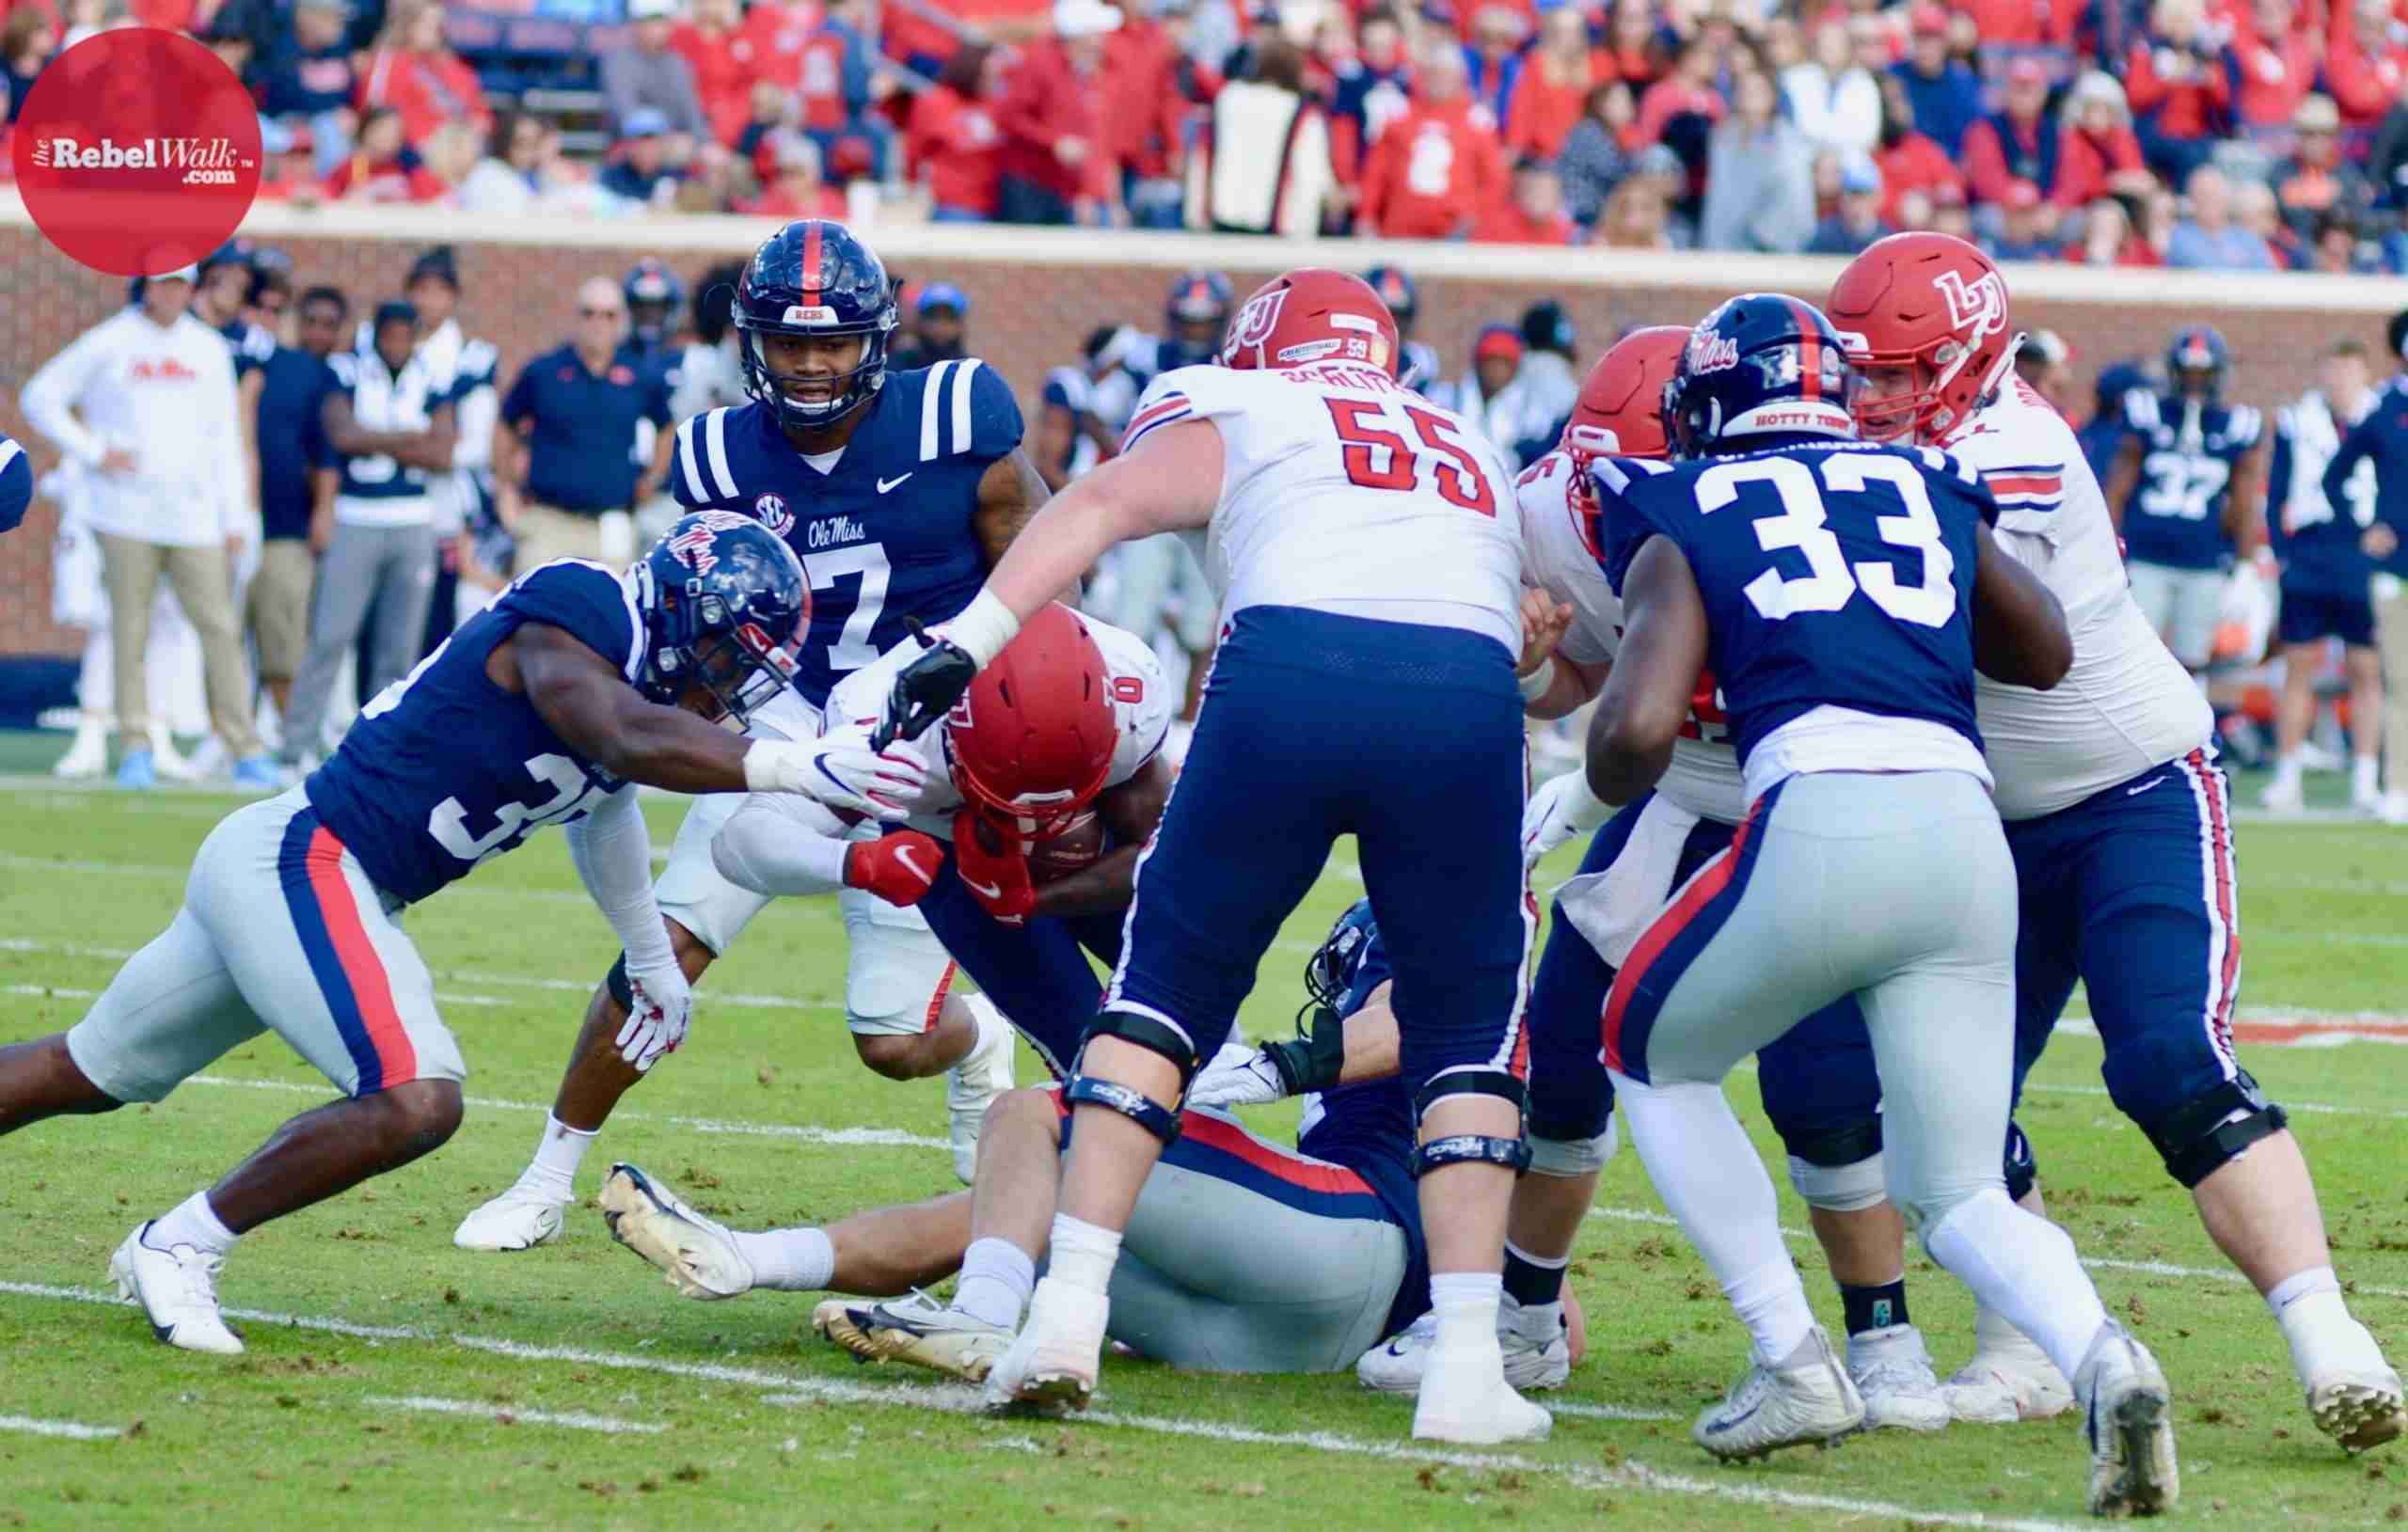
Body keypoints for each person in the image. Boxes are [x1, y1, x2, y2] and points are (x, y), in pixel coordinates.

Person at [866, 269, 1544, 1445]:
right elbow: (1537, 621)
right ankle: (1468, 1368)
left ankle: (1066, 1317)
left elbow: (1099, 504)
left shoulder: (1242, 400)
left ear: (1259, 350)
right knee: (1467, 1034)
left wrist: (970, 638)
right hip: (1466, 689)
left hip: (1290, 664)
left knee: (1162, 999)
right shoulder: (1468, 443)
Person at [1585, 292, 2182, 1515]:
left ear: (1709, 407)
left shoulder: (1680, 500)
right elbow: (2044, 651)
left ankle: (1790, 1356)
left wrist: (1592, 776)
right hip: (1966, 836)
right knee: (1958, 1189)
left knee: (1649, 1052)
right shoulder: (1924, 478)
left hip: (1820, 812)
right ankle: (2104, 1357)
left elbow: (1636, 729)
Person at [1820, 235, 2407, 1454]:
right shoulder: (1867, 446)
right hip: (1981, 822)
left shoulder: (2016, 449)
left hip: (2127, 792)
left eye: (1898, 372)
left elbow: (1984, 622)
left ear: (1970, 358)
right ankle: (2028, 1347)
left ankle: (2329, 1336)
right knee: (1939, 1108)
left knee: (2164, 1061)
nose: (1871, 396)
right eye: (1858, 372)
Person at [0, 513, 849, 1355]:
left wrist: (651, 955)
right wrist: (791, 766)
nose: (726, 689)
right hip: (307, 859)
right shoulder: (582, 603)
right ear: (681, 612)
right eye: (727, 659)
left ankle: (177, 1241)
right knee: (415, 1096)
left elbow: (605, 808)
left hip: (311, 870)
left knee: (90, 1068)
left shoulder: (624, 684)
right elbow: (617, 736)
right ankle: (179, 1242)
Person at [452, 221, 1052, 1251]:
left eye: (833, 342)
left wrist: (1008, 709)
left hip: (925, 740)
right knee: (669, 941)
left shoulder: (957, 413)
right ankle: (546, 1175)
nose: (811, 364)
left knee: (891, 1041)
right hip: (789, 719)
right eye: (788, 342)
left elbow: (1041, 567)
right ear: (750, 342)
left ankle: (976, 1041)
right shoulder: (716, 453)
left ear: (877, 338)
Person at [604, 903, 1479, 1385]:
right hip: (1303, 1341)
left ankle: (981, 1322)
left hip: (1354, 1234)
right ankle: (748, 1259)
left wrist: (1275, 1065)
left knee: (1038, 1116)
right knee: (1018, 1213)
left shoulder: (1440, 917)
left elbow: (1407, 1018)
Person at [711, 600, 1176, 1090]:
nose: (1032, 816)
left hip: (1089, 834)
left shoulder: (1131, 686)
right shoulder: (889, 731)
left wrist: (1034, 899)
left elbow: (1158, 853)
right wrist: (860, 862)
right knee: (1090, 1062)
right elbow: (740, 841)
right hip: (953, 849)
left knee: (1189, 1017)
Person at [19, 262, 276, 790]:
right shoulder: (110, 340)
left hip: (194, 516)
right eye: (163, 283)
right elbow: (39, 397)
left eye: (181, 284)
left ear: (192, 289)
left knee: (219, 627)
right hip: (124, 513)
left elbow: (224, 436)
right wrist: (94, 450)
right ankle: (135, 746)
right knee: (128, 629)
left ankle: (244, 746)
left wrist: (234, 514)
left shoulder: (208, 348)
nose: (172, 294)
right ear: (146, 287)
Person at [280, 301, 456, 770]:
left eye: (405, 335)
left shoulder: (433, 376)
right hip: (356, 517)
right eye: (389, 334)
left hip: (413, 521)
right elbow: (343, 436)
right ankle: (295, 745)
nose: (396, 344)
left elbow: (442, 454)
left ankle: (378, 752)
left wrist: (375, 438)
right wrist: (408, 439)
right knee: (330, 635)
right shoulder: (348, 370)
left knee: (398, 649)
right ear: (376, 335)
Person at [2101, 326, 2266, 685]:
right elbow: (2117, 489)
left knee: (2193, 666)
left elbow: (2243, 503)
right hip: (2145, 558)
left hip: (2203, 563)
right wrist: (2108, 550)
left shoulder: (2238, 424)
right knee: (2132, 660)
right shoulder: (2146, 413)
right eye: (2188, 373)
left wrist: (2245, 564)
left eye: (2203, 374)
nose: (2195, 382)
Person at [2265, 340, 2384, 815]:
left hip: (2362, 551)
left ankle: (2366, 779)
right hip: (2311, 551)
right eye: (2333, 372)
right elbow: (2277, 490)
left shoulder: (2384, 417)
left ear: (2364, 376)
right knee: (2298, 665)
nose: (2340, 382)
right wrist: (2281, 552)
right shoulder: (2298, 421)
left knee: (2366, 668)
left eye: (2349, 373)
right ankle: (2287, 775)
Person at [494, 278, 677, 575]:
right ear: (576, 317)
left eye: (608, 315)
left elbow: (666, 428)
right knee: (536, 599)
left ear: (621, 321)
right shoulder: (544, 371)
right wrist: (505, 489)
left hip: (611, 522)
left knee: (615, 601)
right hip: (548, 520)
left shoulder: (638, 374)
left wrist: (652, 479)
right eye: (589, 313)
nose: (598, 323)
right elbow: (505, 426)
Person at [2318, 308, 2408, 825]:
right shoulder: (2386, 411)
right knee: (2400, 679)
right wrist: (2363, 528)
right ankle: (2397, 786)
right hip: (2396, 566)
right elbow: (2335, 476)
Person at [246, 288, 345, 725]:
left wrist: (323, 510)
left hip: (289, 526)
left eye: (329, 325)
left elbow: (326, 453)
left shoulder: (325, 376)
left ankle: (290, 733)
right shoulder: (255, 363)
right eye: (311, 322)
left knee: (284, 634)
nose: (318, 333)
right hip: (233, 521)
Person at [1358, 45, 1506, 240]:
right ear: (1423, 76)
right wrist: (1366, 215)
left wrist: (1475, 217)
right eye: (1434, 74)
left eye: (1446, 75)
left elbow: (1495, 181)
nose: (1439, 81)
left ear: (1460, 79)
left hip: (1456, 232)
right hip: (1401, 226)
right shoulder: (1399, 114)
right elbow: (1376, 171)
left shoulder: (1477, 121)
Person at [600, 0, 710, 151]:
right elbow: (627, 114)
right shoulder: (619, 62)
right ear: (636, 25)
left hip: (673, 144)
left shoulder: (677, 63)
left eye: (662, 22)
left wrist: (706, 144)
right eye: (650, 22)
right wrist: (666, 138)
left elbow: (691, 112)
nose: (657, 29)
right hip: (628, 146)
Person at [1364, 265, 1440, 394]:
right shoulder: (1351, 354)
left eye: (1400, 316)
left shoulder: (1419, 359)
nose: (1393, 324)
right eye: (1385, 315)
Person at [888, 283, 971, 373]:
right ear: (919, 321)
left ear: (960, 324)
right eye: (933, 317)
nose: (940, 326)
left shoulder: (970, 369)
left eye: (948, 317)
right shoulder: (899, 366)